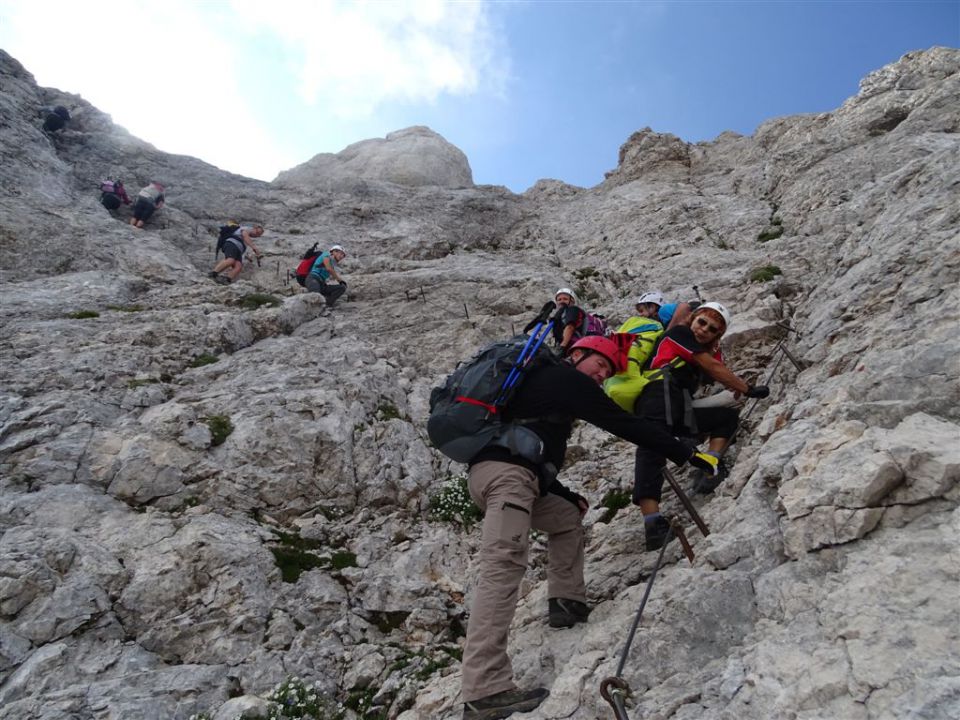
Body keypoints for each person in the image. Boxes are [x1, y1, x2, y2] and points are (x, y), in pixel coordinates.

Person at [460, 335, 721, 720]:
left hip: (512, 477)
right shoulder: (565, 379)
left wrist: (563, 494)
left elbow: (528, 446)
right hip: (508, 481)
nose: (602, 375)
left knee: (567, 517)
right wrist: (688, 454)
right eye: (600, 365)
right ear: (577, 354)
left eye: (609, 372)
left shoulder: (546, 389)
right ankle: (484, 690)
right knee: (502, 569)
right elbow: (623, 423)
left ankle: (566, 601)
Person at [631, 301, 769, 550]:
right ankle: (652, 523)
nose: (704, 329)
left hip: (679, 405)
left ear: (718, 334)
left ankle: (711, 467)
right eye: (701, 322)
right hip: (656, 395)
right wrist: (746, 389)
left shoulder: (702, 346)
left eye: (712, 328)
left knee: (724, 418)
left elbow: (713, 365)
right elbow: (713, 368)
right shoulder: (679, 333)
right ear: (692, 320)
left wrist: (716, 351)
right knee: (652, 449)